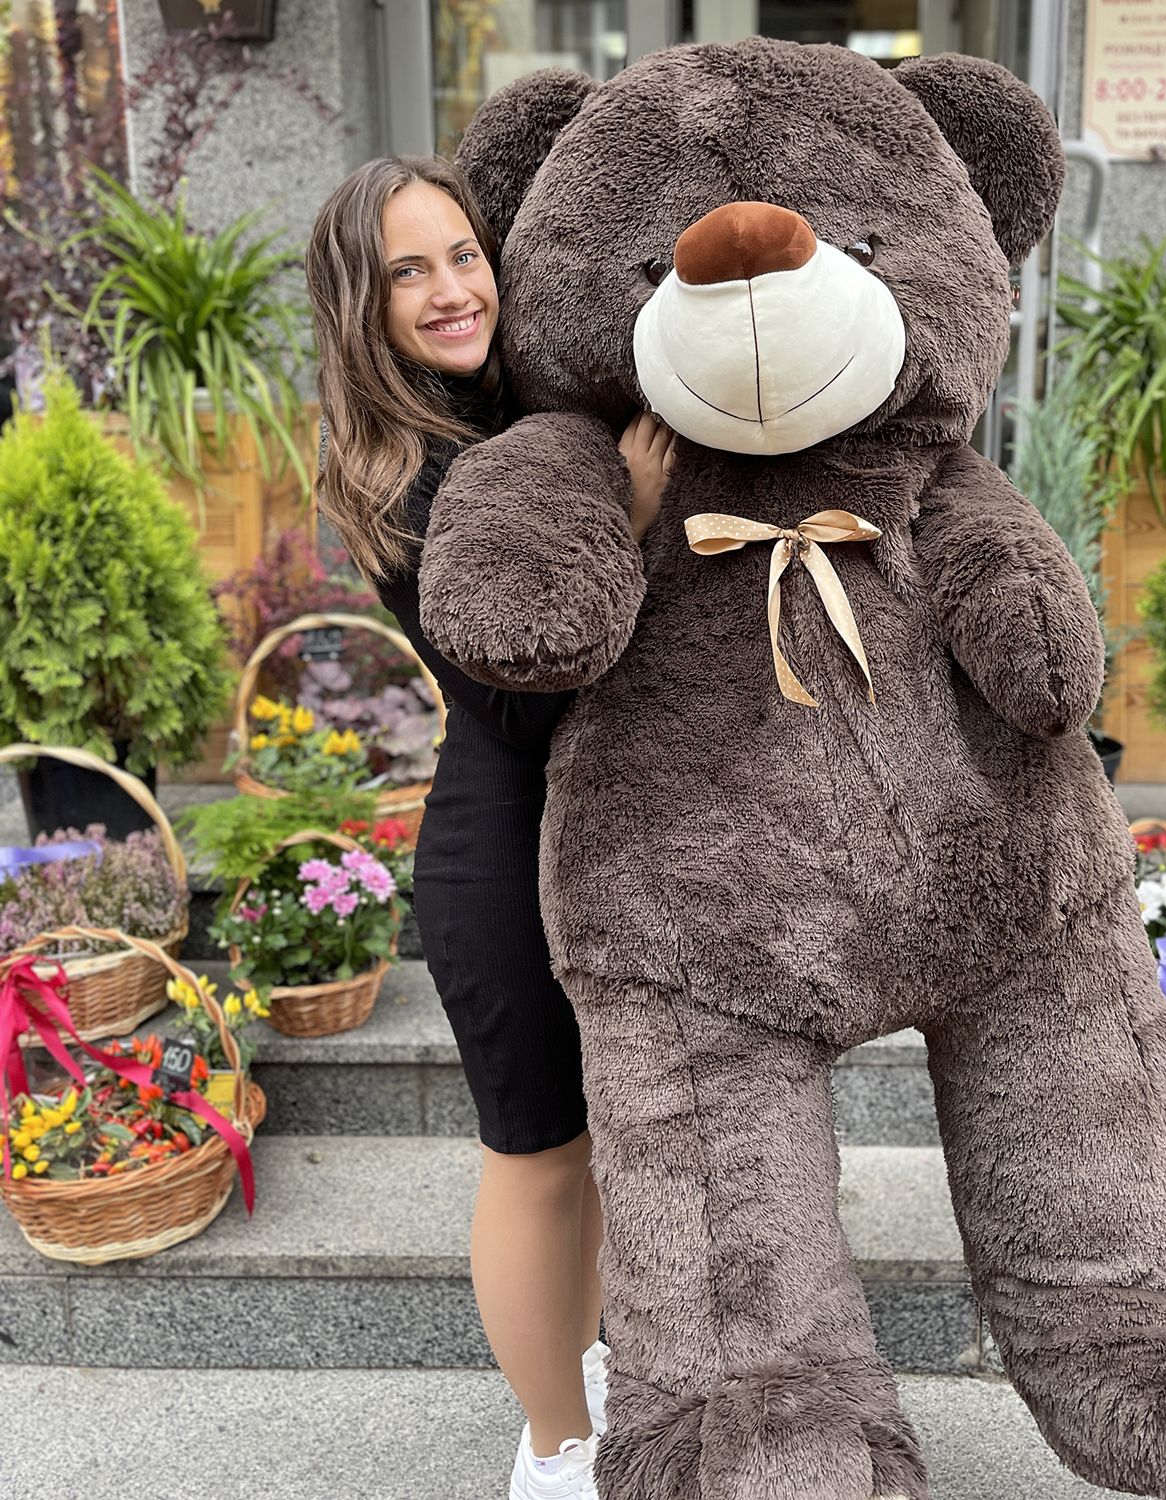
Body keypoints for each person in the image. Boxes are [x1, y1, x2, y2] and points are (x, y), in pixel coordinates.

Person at [305, 155, 673, 1500]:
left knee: (592, 1157)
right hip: (502, 855)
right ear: (363, 303)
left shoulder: (505, 410)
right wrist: (624, 523)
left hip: (590, 843)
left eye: (463, 253)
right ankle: (553, 1451)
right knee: (536, 1163)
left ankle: (587, 1392)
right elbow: (516, 705)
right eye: (409, 271)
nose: (453, 288)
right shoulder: (410, 473)